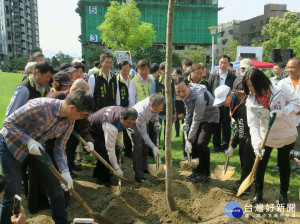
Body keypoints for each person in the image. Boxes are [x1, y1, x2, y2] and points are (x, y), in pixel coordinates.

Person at [0, 89, 94, 223]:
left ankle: (61, 221)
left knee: (55, 184)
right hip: (11, 146)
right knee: (13, 194)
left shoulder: (69, 121)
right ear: (72, 108)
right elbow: (8, 122)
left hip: (36, 149)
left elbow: (60, 147)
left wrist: (65, 171)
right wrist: (28, 141)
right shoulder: (40, 107)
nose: (82, 118)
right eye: (82, 115)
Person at [242, 68, 299, 207]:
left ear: (260, 82)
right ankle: (258, 193)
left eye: (252, 85)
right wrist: (256, 146)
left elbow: (296, 103)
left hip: (286, 133)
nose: (251, 89)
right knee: (260, 163)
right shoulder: (250, 100)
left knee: (283, 163)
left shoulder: (281, 89)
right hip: (265, 136)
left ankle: (283, 195)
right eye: (248, 86)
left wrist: (283, 111)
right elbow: (253, 124)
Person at [174, 77, 219, 183]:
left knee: (201, 143)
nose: (181, 94)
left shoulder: (200, 96)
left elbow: (197, 119)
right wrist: (185, 123)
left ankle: (206, 173)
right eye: (178, 91)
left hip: (210, 117)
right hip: (198, 117)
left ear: (189, 86)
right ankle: (197, 171)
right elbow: (189, 111)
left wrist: (188, 139)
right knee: (193, 143)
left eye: (183, 91)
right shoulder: (186, 95)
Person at [213, 85, 255, 194]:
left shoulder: (241, 106)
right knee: (242, 152)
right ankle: (246, 178)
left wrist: (232, 146)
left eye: (223, 101)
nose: (222, 104)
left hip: (254, 130)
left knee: (246, 153)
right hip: (247, 128)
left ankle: (246, 187)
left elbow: (242, 131)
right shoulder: (234, 96)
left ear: (229, 96)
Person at [88, 107, 137, 186]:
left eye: (132, 124)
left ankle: (97, 173)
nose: (130, 126)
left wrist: (118, 142)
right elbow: (110, 150)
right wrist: (117, 168)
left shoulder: (123, 112)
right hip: (92, 129)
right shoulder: (111, 126)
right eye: (128, 123)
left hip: (101, 126)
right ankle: (102, 179)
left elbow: (119, 128)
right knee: (104, 152)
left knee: (109, 150)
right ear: (121, 118)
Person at [132, 94, 164, 183]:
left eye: (160, 109)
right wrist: (154, 147)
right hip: (133, 123)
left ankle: (143, 167)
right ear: (150, 105)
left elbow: (155, 113)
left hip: (144, 123)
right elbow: (143, 133)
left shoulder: (155, 102)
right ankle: (138, 175)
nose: (158, 111)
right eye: (155, 109)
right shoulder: (141, 111)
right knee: (139, 146)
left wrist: (156, 122)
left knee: (145, 146)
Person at [208, 55, 236, 153]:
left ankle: (225, 144)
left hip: (227, 104)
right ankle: (216, 145)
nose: (222, 65)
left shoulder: (232, 77)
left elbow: (234, 90)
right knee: (216, 124)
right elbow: (209, 88)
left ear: (228, 64)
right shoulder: (213, 75)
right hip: (216, 103)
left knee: (226, 125)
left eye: (225, 63)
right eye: (221, 62)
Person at [278, 58, 300, 174]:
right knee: (286, 144)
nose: (289, 69)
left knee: (298, 144)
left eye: (292, 67)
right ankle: (284, 165)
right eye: (287, 67)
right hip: (287, 119)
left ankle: (296, 167)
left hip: (299, 119)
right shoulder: (282, 83)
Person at [116, 61, 133, 158]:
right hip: (119, 108)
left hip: (129, 107)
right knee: (118, 131)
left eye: (128, 70)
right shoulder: (116, 80)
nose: (126, 72)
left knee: (128, 128)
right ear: (119, 70)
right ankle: (117, 150)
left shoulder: (131, 80)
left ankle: (128, 151)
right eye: (124, 70)